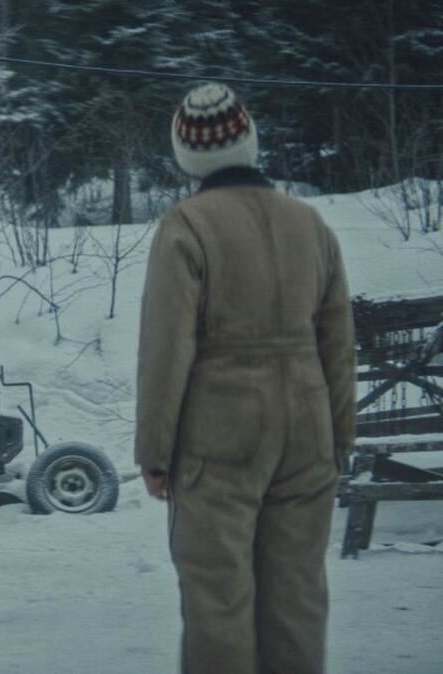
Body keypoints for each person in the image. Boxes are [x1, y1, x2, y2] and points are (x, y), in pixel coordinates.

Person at [134, 82, 356, 674]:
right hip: (308, 430)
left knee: (218, 604)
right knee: (297, 601)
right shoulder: (311, 225)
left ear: (187, 155)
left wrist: (155, 454)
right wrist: (340, 438)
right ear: (251, 141)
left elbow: (166, 348)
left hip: (221, 434)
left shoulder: (186, 226)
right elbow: (338, 343)